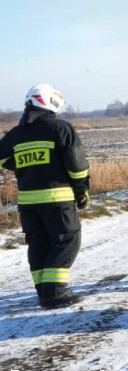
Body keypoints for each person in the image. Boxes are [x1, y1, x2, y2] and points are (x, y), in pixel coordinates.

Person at [0, 84, 90, 308]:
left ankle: (43, 291)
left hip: (28, 203)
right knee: (67, 240)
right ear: (49, 102)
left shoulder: (15, 134)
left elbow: (2, 159)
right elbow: (77, 165)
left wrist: (23, 166)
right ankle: (55, 293)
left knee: (39, 245)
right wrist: (82, 190)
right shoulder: (60, 128)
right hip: (57, 199)